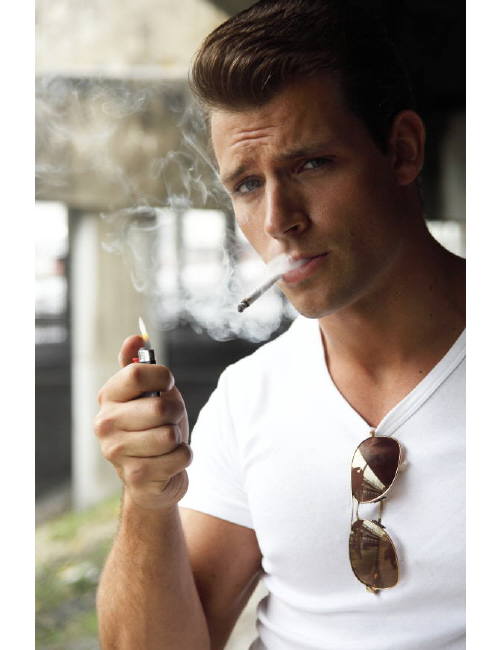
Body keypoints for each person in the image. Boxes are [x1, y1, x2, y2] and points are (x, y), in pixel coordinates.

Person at [94, 1, 465, 648]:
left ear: (402, 151)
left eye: (311, 164)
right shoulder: (249, 396)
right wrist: (148, 498)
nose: (277, 220)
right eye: (246, 184)